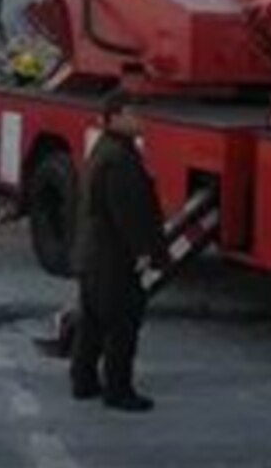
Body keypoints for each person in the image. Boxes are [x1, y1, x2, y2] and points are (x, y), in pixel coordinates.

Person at [70, 91, 168, 412]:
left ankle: (83, 381)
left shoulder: (106, 150)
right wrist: (143, 251)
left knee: (94, 321)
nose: (140, 119)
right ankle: (118, 390)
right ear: (114, 118)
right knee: (121, 325)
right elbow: (127, 211)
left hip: (94, 255)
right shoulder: (120, 158)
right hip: (112, 258)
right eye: (133, 113)